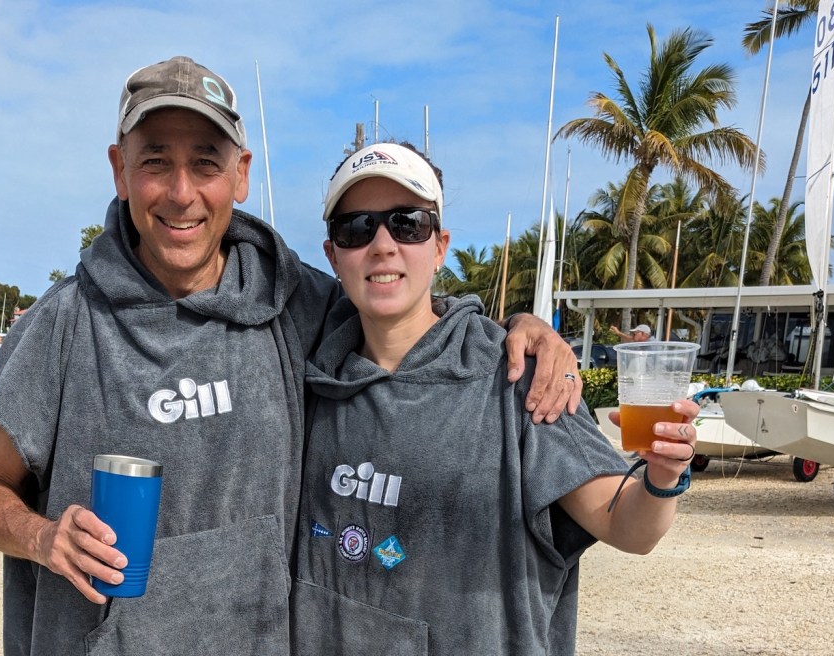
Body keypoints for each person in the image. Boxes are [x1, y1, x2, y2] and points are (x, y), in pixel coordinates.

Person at [0, 56, 581, 656]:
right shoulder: (65, 323)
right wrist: (41, 537)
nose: (181, 192)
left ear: (241, 174)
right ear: (120, 171)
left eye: (206, 163)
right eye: (155, 162)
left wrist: (519, 329)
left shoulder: (292, 301)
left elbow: (397, 307)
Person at [290, 143, 698, 654]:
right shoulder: (307, 374)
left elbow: (628, 528)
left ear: (440, 246)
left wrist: (662, 475)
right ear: (332, 255)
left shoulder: (520, 376)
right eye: (357, 228)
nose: (383, 245)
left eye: (407, 223)